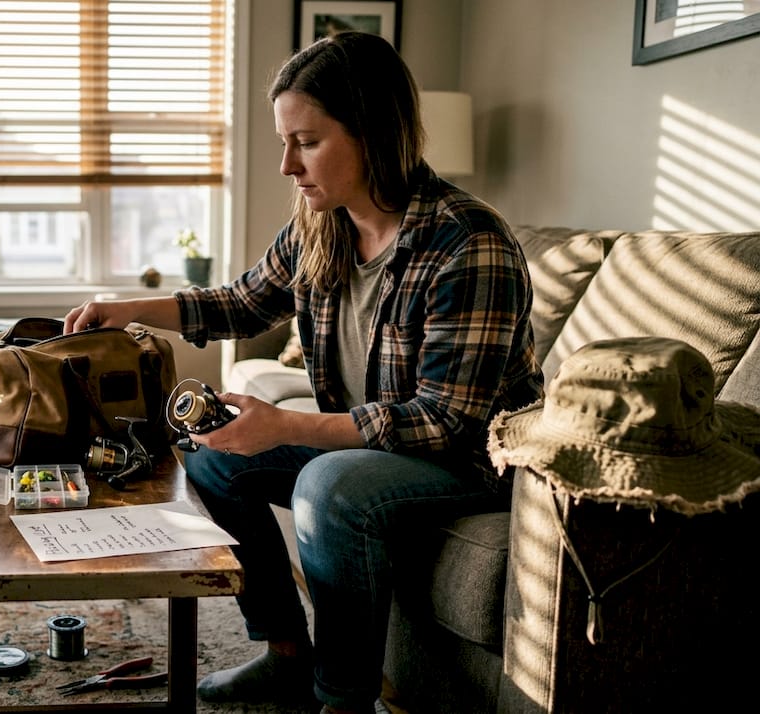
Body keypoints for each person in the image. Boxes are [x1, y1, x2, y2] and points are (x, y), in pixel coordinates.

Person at [63, 31, 543, 714]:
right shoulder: (322, 223)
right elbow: (240, 303)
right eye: (284, 142)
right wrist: (129, 308)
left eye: (307, 142)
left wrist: (286, 427)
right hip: (377, 445)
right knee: (211, 456)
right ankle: (286, 654)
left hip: (465, 463)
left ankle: (343, 700)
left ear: (374, 133)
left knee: (330, 484)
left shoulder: (467, 242)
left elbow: (445, 421)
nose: (287, 165)